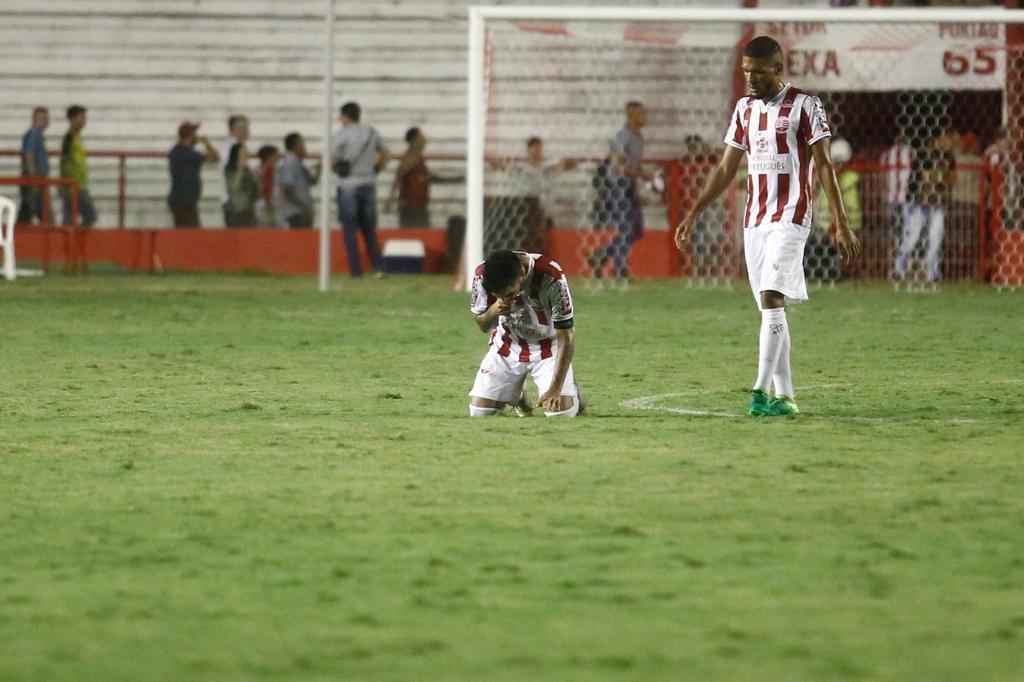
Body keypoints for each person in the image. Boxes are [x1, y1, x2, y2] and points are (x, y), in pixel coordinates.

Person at [674, 36, 860, 417]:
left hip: (791, 215)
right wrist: (693, 212)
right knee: (769, 309)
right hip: (755, 220)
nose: (751, 79)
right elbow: (726, 168)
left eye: (758, 72)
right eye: (746, 72)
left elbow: (825, 165)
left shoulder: (805, 105)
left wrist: (841, 222)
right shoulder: (744, 110)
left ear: (778, 68)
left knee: (772, 296)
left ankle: (758, 390)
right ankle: (785, 396)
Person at [468, 249, 583, 417]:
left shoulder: (552, 277)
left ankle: (573, 394)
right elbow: (483, 325)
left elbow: (567, 336)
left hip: (548, 347)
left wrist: (555, 389)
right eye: (498, 296)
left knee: (560, 413)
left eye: (509, 294)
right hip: (508, 344)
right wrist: (493, 310)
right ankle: (517, 395)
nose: (505, 299)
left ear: (522, 274)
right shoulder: (482, 275)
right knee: (479, 413)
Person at [589, 101, 654, 279]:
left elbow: (634, 165)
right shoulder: (622, 136)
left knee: (637, 230)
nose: (645, 117)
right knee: (626, 228)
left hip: (629, 185)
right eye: (641, 113)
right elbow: (618, 166)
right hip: (617, 186)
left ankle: (601, 254)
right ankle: (619, 269)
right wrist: (642, 174)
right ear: (631, 115)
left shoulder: (639, 138)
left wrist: (642, 176)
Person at [333, 101, 390, 277]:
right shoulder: (371, 132)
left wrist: (339, 169)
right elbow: (385, 153)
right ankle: (378, 268)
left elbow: (332, 159)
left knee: (349, 231)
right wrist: (376, 169)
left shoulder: (341, 134)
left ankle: (355, 271)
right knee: (369, 230)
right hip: (368, 183)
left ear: (345, 116)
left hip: (348, 185)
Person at [893, 133, 956, 282]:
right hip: (919, 203)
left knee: (936, 237)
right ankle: (898, 268)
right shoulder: (924, 155)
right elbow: (927, 181)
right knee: (913, 238)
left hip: (937, 203)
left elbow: (951, 179)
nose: (948, 142)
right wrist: (938, 181)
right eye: (944, 138)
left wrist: (940, 182)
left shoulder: (948, 157)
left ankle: (932, 273)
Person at [389, 127, 462, 228]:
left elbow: (428, 178)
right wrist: (390, 201)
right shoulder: (411, 157)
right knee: (414, 235)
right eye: (421, 137)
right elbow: (398, 176)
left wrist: (454, 179)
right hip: (411, 209)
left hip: (419, 207)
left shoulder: (417, 158)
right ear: (414, 140)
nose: (424, 139)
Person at [810, 137, 861, 281]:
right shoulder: (827, 176)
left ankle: (836, 273)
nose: (837, 166)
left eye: (839, 162)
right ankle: (827, 273)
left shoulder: (848, 178)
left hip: (845, 223)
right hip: (825, 224)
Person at [167, 121, 219, 228]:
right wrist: (206, 143)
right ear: (190, 136)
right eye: (194, 133)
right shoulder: (189, 154)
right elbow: (215, 157)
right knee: (191, 232)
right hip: (184, 201)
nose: (197, 136)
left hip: (183, 200)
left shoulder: (177, 151)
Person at [60, 105, 97, 227]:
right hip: (74, 185)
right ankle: (77, 238)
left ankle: (71, 238)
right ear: (72, 119)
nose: (84, 120)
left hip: (76, 184)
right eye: (81, 117)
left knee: (69, 218)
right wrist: (66, 183)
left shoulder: (76, 137)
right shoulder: (69, 138)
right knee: (91, 215)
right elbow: (64, 160)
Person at [275, 132, 319, 228]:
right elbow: (287, 190)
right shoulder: (289, 163)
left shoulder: (298, 163)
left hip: (301, 211)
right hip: (296, 212)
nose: (305, 147)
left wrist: (319, 168)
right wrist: (303, 207)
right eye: (302, 144)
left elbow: (312, 181)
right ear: (296, 146)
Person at [18, 107, 52, 224]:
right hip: (35, 180)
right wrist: (34, 178)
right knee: (41, 211)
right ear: (34, 119)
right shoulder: (34, 134)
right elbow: (29, 154)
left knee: (28, 210)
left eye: (46, 118)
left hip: (35, 179)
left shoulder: (35, 134)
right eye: (42, 118)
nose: (45, 121)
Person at [220, 114, 250, 225]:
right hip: (236, 201)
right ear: (234, 130)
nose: (247, 131)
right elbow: (234, 174)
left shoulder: (235, 146)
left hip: (236, 200)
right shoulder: (232, 147)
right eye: (244, 128)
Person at [223, 142, 259, 227]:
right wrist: (240, 169)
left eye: (246, 152)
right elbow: (233, 187)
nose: (246, 155)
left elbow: (254, 189)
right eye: (243, 152)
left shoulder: (248, 169)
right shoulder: (230, 169)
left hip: (248, 208)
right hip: (235, 209)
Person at [256, 144, 280, 226]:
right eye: (276, 155)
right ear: (269, 157)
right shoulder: (268, 170)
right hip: (267, 205)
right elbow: (266, 187)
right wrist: (268, 203)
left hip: (265, 204)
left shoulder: (259, 169)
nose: (278, 157)